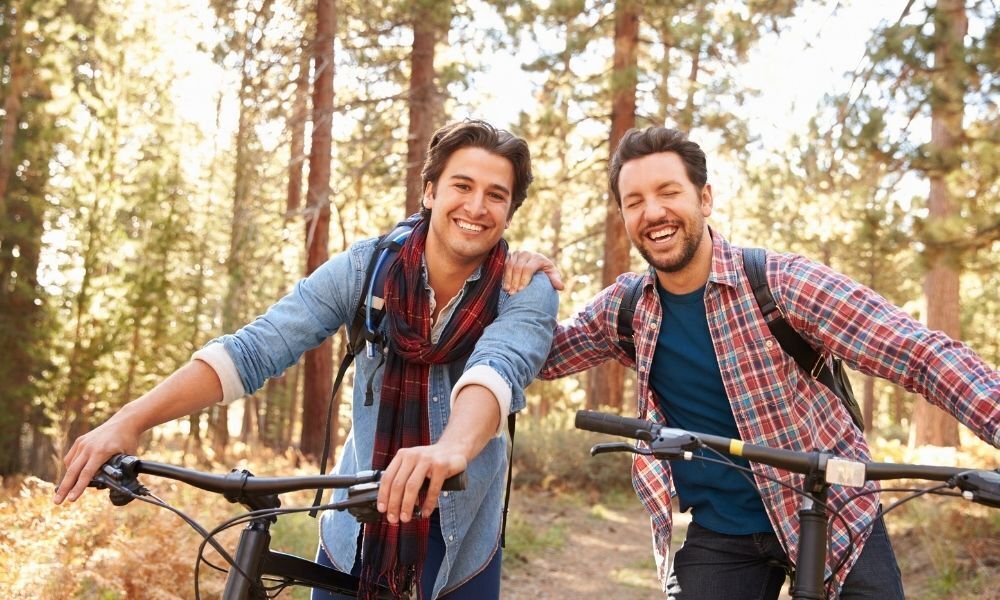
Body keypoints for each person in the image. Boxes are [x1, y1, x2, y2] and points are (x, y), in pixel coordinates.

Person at [54, 120, 560, 600]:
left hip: (460, 536)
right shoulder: (366, 270)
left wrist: (451, 449)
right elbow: (256, 348)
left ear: (510, 211)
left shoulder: (525, 289)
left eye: (496, 195)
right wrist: (129, 419)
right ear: (430, 192)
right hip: (357, 520)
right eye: (462, 185)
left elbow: (498, 367)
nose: (476, 206)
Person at [505, 126, 1000, 599]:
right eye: (634, 201)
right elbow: (536, 355)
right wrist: (516, 282)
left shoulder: (781, 284)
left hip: (833, 512)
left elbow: (919, 353)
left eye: (668, 192)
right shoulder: (629, 307)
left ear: (704, 199)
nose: (652, 211)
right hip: (723, 530)